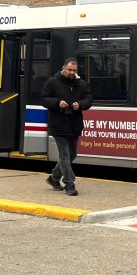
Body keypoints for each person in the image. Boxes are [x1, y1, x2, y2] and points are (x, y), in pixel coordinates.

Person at [41, 58, 92, 196]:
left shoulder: (81, 84)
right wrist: (57, 103)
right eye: (69, 70)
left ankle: (54, 178)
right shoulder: (52, 82)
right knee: (64, 155)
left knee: (72, 155)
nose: (72, 72)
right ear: (63, 68)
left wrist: (80, 105)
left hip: (74, 125)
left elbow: (88, 100)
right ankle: (70, 184)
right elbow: (44, 99)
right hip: (58, 125)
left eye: (74, 70)